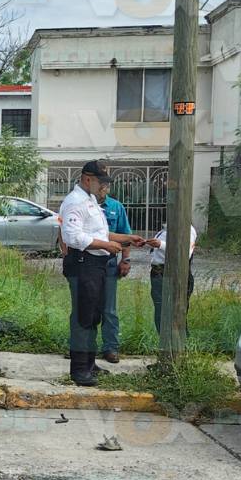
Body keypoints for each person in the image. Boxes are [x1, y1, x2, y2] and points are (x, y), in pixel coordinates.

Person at [60, 161, 143, 386]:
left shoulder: (92, 201)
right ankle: (79, 370)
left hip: (95, 266)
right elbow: (73, 237)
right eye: (101, 182)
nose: (104, 187)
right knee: (83, 318)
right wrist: (106, 246)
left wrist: (126, 239)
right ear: (88, 179)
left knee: (94, 316)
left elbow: (101, 232)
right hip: (82, 263)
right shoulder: (75, 202)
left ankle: (89, 363)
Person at [96, 182, 133, 363]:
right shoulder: (85, 206)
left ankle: (111, 348)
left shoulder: (116, 207)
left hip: (109, 263)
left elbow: (125, 235)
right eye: (99, 186)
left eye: (104, 187)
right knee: (85, 305)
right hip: (86, 263)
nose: (102, 190)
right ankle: (82, 347)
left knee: (109, 308)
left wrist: (125, 260)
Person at [146, 223, 197, 334]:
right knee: (162, 312)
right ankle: (166, 344)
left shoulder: (187, 229)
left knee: (176, 314)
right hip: (158, 273)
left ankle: (179, 345)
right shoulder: (167, 228)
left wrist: (160, 244)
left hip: (173, 275)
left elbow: (185, 252)